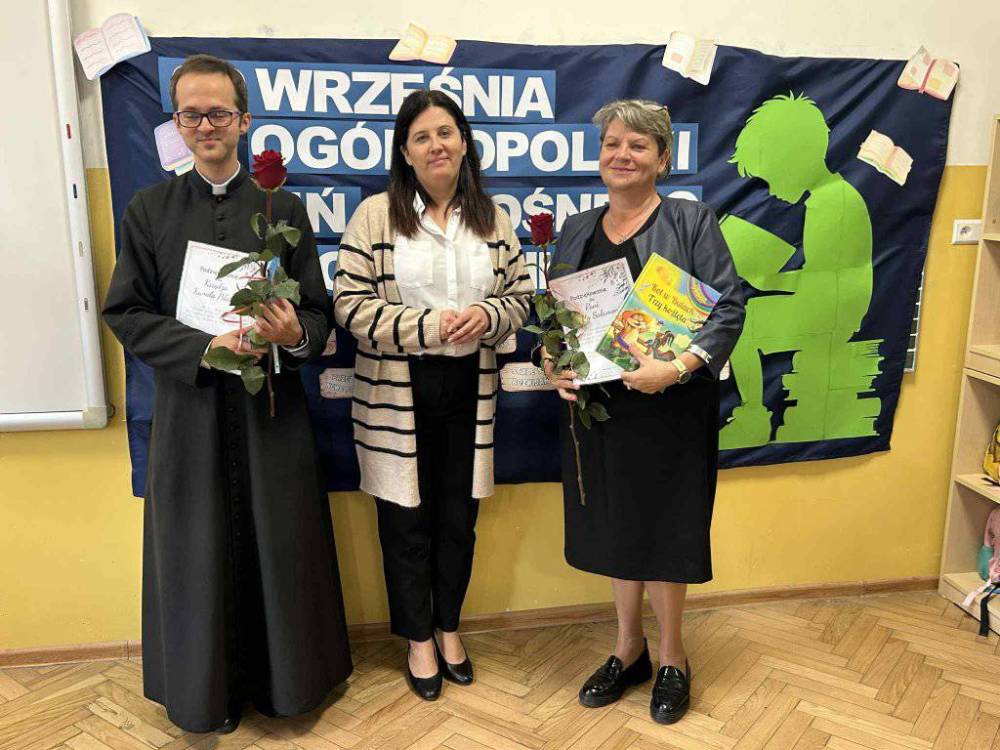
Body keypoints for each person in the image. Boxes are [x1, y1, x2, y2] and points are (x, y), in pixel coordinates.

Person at [102, 54, 352, 734]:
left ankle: (289, 688)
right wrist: (207, 346)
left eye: (218, 112)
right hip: (190, 415)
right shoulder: (148, 209)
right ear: (177, 124)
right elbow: (126, 313)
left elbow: (318, 316)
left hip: (271, 415)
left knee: (280, 545)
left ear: (244, 121)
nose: (206, 126)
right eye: (191, 114)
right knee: (197, 551)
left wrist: (295, 332)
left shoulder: (284, 208)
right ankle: (203, 695)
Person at [541, 99, 744, 724]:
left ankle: (674, 657)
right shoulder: (577, 229)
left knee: (667, 529)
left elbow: (729, 307)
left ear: (662, 158)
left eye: (637, 145)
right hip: (601, 413)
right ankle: (628, 649)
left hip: (671, 407)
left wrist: (676, 369)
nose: (621, 155)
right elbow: (557, 318)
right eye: (612, 144)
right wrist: (552, 362)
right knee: (615, 527)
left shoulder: (690, 220)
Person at [334, 89, 532, 701]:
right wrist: (428, 326)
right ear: (405, 152)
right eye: (421, 136)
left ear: (464, 143)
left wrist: (488, 315)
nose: (436, 145)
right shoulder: (375, 216)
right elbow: (348, 305)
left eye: (445, 132)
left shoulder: (493, 218)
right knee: (405, 520)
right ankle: (418, 638)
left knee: (458, 519)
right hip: (397, 391)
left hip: (470, 387)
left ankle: (449, 628)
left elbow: (521, 297)